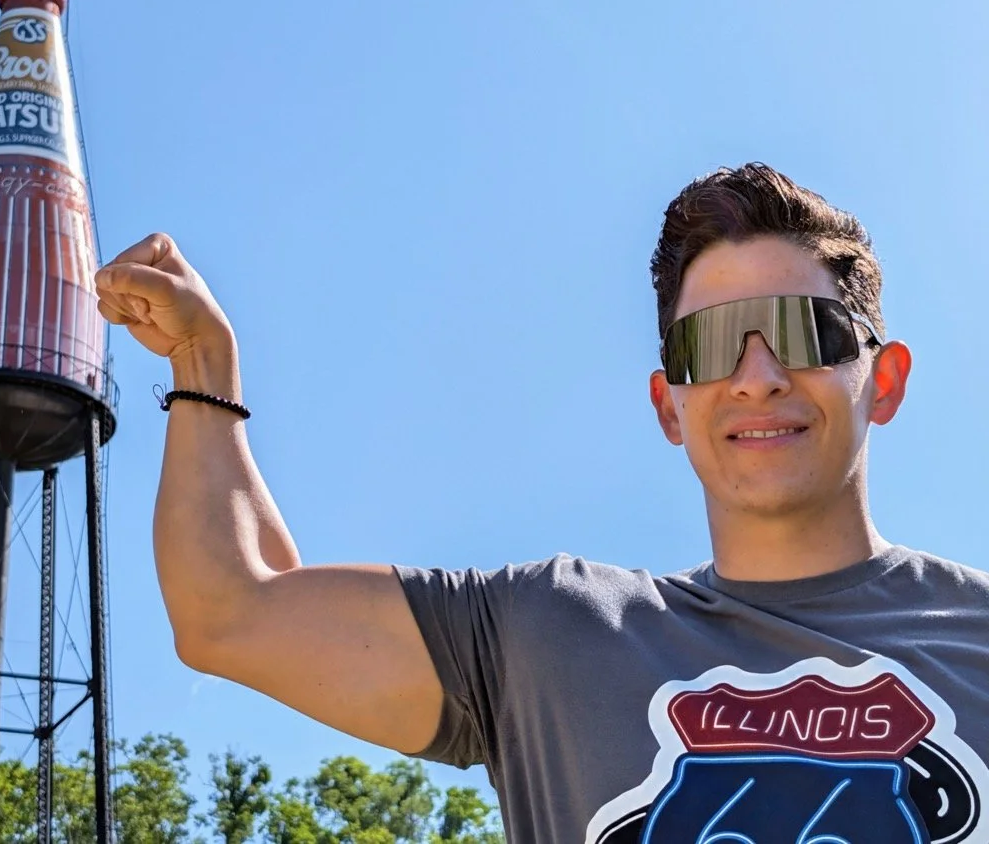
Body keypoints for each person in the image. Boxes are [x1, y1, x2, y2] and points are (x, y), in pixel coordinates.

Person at [94, 163, 989, 843]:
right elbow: (230, 611)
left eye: (805, 333)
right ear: (668, 403)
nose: (755, 378)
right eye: (708, 345)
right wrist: (204, 370)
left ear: (886, 380)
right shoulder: (549, 633)